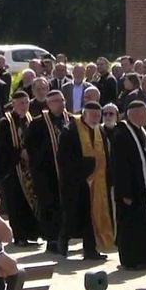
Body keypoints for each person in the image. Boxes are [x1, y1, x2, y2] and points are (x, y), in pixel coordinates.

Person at [57, 102, 115, 261]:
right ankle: (63, 241)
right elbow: (65, 158)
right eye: (93, 115)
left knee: (91, 217)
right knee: (72, 215)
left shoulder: (99, 130)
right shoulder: (70, 130)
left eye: (98, 115)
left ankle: (90, 250)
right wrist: (86, 166)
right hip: (75, 181)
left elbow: (105, 155)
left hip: (96, 182)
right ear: (84, 113)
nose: (96, 119)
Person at [111, 100, 146, 269]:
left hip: (144, 191)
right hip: (130, 192)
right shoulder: (122, 135)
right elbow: (119, 166)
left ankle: (144, 258)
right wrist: (125, 193)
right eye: (144, 113)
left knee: (142, 226)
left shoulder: (141, 132)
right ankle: (131, 260)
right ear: (133, 115)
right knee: (130, 227)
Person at [24, 90, 71, 254]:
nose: (61, 104)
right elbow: (30, 147)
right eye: (57, 101)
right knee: (49, 205)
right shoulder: (38, 123)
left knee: (65, 205)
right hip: (46, 172)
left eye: (62, 100)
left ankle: (65, 238)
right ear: (49, 104)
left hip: (66, 172)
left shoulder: (70, 120)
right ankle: (52, 240)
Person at [0, 91, 39, 246]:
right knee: (16, 203)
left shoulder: (30, 119)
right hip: (12, 169)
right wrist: (19, 153)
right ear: (13, 104)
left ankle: (31, 233)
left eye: (26, 103)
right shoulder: (5, 122)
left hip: (28, 169)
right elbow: (2, 147)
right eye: (21, 103)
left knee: (30, 201)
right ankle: (19, 236)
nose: (24, 106)